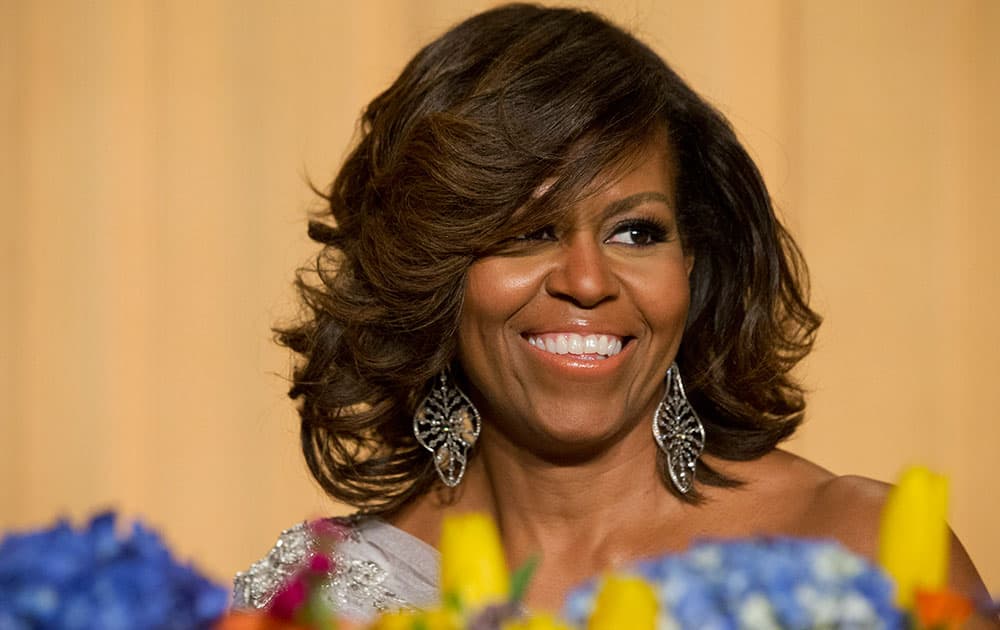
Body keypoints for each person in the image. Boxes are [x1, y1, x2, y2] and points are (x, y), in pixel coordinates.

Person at [233, 3, 991, 621]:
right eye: (528, 232)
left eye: (637, 232)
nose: (589, 281)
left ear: (689, 267)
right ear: (431, 271)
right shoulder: (321, 601)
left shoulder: (868, 552)